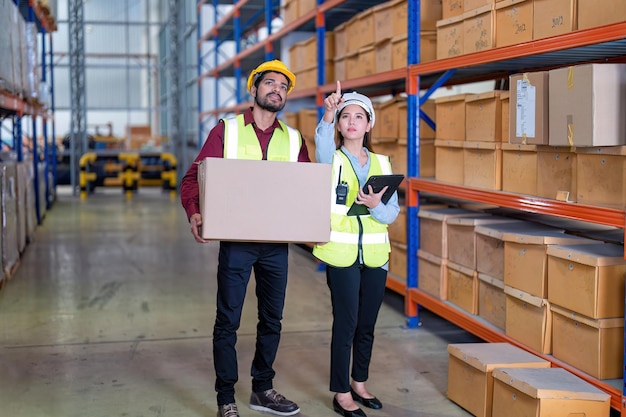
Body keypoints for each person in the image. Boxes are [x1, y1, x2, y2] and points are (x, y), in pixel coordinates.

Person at [179, 59, 309, 417]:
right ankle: (225, 397)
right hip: (237, 242)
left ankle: (262, 389)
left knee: (272, 319)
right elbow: (193, 178)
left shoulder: (294, 139)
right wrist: (195, 212)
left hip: (276, 245)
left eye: (283, 87)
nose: (276, 90)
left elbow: (305, 191)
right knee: (228, 320)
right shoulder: (228, 130)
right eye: (270, 83)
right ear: (253, 89)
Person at [312, 82, 400, 417]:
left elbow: (391, 214)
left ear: (369, 123)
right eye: (345, 116)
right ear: (338, 124)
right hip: (341, 254)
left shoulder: (382, 163)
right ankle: (341, 392)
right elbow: (321, 142)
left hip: (376, 256)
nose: (351, 121)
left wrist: (377, 205)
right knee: (346, 324)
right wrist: (327, 114)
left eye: (359, 116)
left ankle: (360, 382)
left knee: (367, 324)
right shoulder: (330, 159)